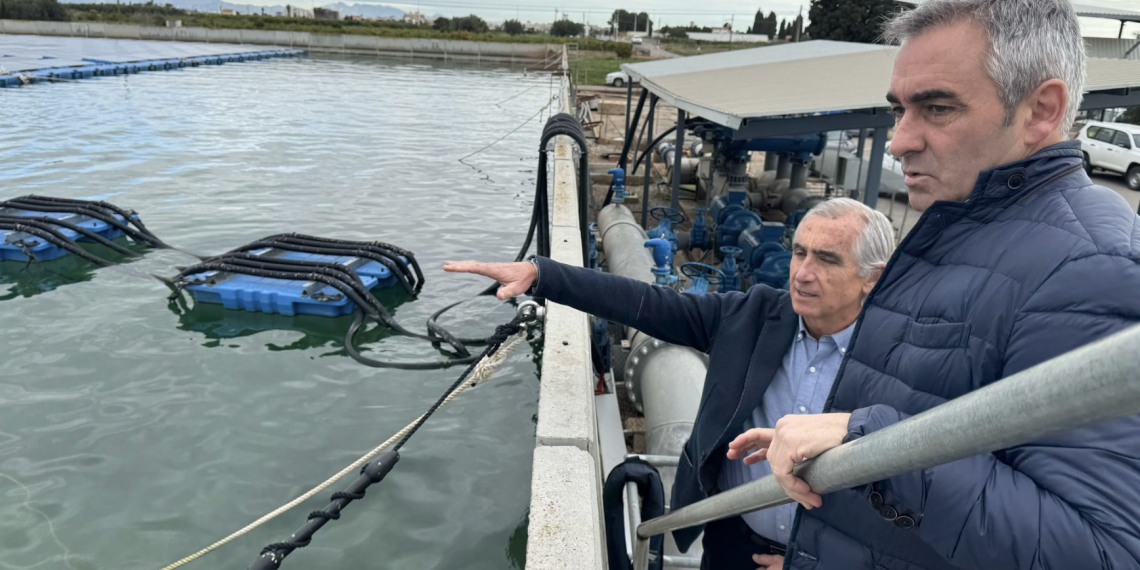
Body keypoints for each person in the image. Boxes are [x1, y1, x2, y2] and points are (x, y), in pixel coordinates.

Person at [720, 1, 1140, 568]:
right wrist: (836, 451)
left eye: (936, 108)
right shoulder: (962, 225)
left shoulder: (1091, 267)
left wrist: (871, 443)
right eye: (899, 110)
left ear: (1041, 110)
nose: (899, 141)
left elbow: (1098, 552)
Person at [445, 198, 895, 569]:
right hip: (732, 542)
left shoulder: (898, 357)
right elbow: (650, 304)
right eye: (799, 252)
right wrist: (545, 276)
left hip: (829, 554)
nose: (802, 272)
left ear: (872, 279)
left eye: (827, 259)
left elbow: (921, 475)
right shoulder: (753, 316)